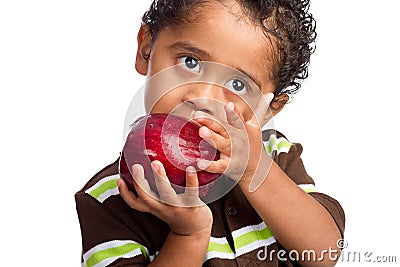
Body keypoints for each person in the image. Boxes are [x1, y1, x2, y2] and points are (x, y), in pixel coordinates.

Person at [75, 0, 345, 266]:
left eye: (238, 84)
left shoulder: (273, 154)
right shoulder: (110, 197)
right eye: (190, 62)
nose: (203, 97)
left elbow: (324, 254)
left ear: (267, 110)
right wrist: (188, 234)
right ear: (146, 49)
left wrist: (254, 170)